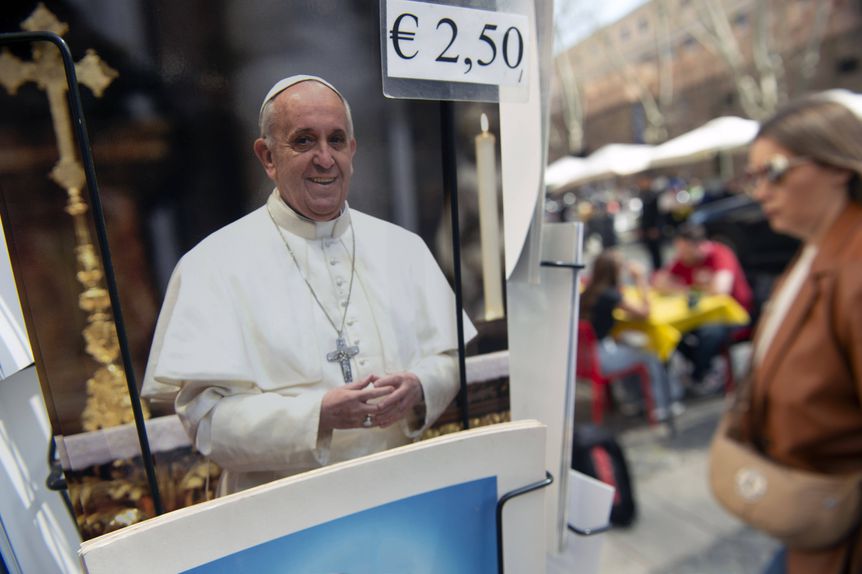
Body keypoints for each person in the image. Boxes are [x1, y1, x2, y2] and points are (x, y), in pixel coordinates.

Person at [142, 75, 475, 495]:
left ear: (352, 151)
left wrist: (421, 386)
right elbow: (207, 422)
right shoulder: (211, 266)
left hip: (399, 494)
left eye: (336, 140)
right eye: (303, 141)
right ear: (267, 156)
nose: (324, 158)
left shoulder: (402, 248)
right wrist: (317, 414)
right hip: (284, 516)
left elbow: (449, 357)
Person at [734, 95, 862, 574]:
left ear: (837, 165)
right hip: (817, 529)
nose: (760, 191)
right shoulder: (815, 254)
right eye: (753, 177)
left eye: (775, 172)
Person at [580, 250, 684, 421]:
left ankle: (637, 399)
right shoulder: (609, 294)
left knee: (631, 345)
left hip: (585, 358)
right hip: (601, 358)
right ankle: (663, 404)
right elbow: (645, 312)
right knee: (652, 352)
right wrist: (640, 278)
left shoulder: (589, 291)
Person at [653, 223, 752, 395]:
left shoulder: (719, 254)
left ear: (698, 245)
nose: (681, 255)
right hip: (699, 315)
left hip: (732, 314)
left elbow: (720, 289)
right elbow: (659, 282)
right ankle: (700, 371)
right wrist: (691, 289)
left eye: (685, 250)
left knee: (710, 333)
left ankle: (701, 374)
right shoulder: (684, 259)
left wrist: (683, 288)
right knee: (670, 332)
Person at [637, 176, 664, 271]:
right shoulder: (643, 195)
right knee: (651, 251)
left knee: (656, 251)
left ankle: (659, 269)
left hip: (653, 229)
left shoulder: (654, 196)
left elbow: (658, 214)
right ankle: (655, 269)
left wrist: (656, 228)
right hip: (646, 229)